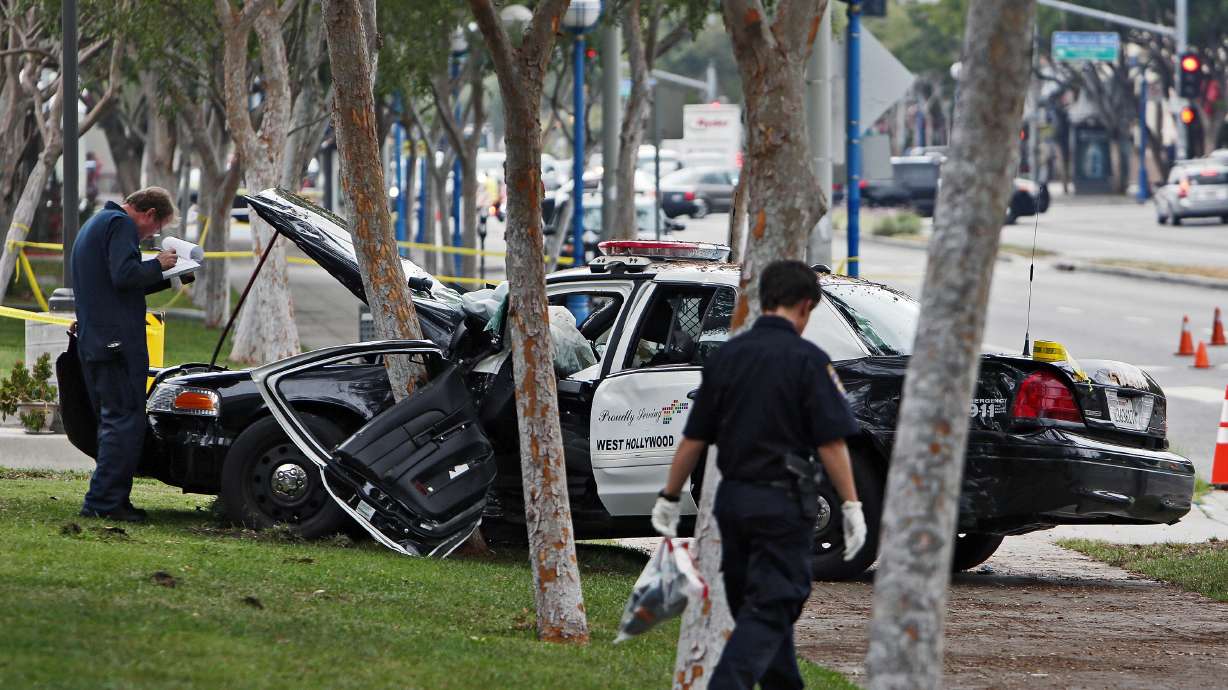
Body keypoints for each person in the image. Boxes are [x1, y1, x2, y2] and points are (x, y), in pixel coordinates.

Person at [651, 259, 866, 690]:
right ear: (805, 305)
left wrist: (670, 496)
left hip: (732, 502)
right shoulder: (809, 360)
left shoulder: (727, 357)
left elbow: (694, 437)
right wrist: (851, 505)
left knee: (758, 607)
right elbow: (832, 442)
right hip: (781, 505)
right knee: (773, 605)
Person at [72, 187, 179, 523]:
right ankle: (104, 502)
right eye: (156, 227)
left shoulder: (98, 222)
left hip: (97, 341)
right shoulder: (120, 225)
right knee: (124, 421)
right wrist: (160, 263)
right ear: (148, 214)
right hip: (116, 344)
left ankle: (108, 497)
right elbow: (125, 275)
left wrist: (171, 274)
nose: (153, 234)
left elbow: (117, 280)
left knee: (112, 421)